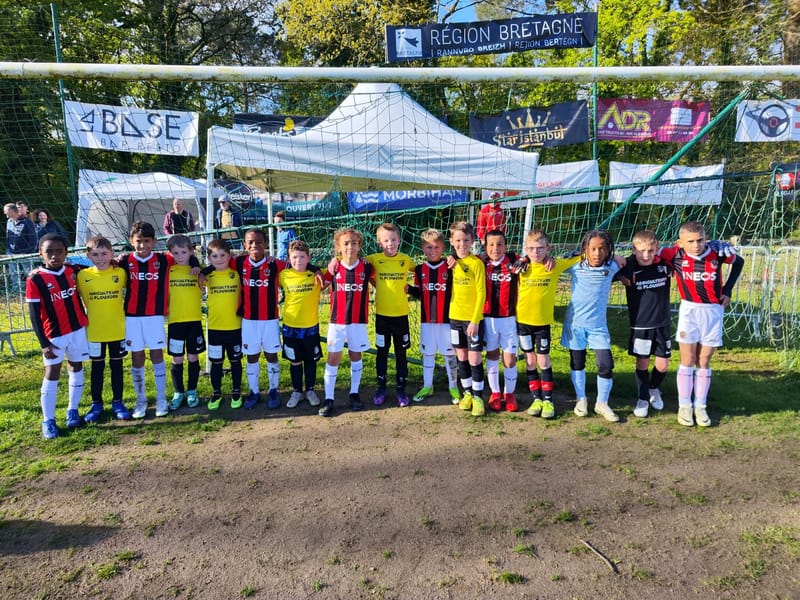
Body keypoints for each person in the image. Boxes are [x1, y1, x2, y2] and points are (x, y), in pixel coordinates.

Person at [658, 221, 744, 427]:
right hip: (689, 310)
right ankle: (684, 406)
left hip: (713, 311)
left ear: (706, 239)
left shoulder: (717, 253)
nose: (696, 245)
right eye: (690, 241)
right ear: (680, 242)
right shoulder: (674, 254)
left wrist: (728, 290)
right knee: (688, 358)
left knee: (704, 360)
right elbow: (648, 250)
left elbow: (739, 262)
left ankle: (700, 406)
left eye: (700, 240)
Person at [118, 221, 200, 419]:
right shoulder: (125, 260)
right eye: (139, 241)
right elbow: (105, 265)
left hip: (155, 316)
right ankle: (141, 401)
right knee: (137, 356)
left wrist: (197, 264)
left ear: (154, 242)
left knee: (157, 354)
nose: (143, 245)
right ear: (131, 241)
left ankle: (162, 399)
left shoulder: (164, 260)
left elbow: (188, 254)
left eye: (147, 241)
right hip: (132, 316)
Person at [26, 234, 90, 439]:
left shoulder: (72, 270)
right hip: (53, 335)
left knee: (76, 366)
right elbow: (34, 314)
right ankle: (48, 420)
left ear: (66, 253)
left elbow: (98, 264)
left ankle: (73, 411)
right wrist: (43, 343)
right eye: (49, 252)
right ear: (41, 254)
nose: (54, 256)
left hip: (77, 329)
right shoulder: (35, 279)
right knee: (52, 372)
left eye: (59, 251)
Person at [561, 229, 625, 423]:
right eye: (593, 249)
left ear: (608, 250)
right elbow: (554, 263)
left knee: (606, 364)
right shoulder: (575, 265)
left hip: (598, 327)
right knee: (577, 363)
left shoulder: (612, 266)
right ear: (585, 250)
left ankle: (602, 403)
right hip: (575, 325)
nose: (597, 253)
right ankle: (581, 399)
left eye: (602, 249)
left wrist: (618, 257)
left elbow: (631, 261)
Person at [516, 230, 578, 419]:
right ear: (526, 249)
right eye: (531, 248)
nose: (536, 252)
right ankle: (536, 399)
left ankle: (548, 400)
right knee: (530, 360)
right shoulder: (520, 267)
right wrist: (522, 260)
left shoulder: (554, 265)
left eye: (540, 248)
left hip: (542, 324)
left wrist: (615, 256)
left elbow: (583, 257)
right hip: (522, 323)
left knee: (543, 360)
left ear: (548, 248)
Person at [616, 230, 672, 419]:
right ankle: (642, 399)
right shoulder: (627, 266)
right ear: (633, 250)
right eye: (641, 251)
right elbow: (604, 263)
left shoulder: (664, 264)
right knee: (642, 362)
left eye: (650, 250)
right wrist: (618, 264)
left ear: (657, 249)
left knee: (663, 365)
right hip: (640, 326)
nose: (646, 255)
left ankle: (653, 388)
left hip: (662, 324)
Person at [76, 236, 132, 423]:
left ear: (111, 254)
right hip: (95, 331)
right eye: (95, 254)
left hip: (117, 329)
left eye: (104, 254)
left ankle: (118, 402)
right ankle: (96, 404)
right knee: (97, 368)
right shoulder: (82, 276)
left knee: (117, 366)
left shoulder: (120, 273)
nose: (100, 258)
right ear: (88, 256)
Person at [319, 228, 373, 417]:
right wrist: (324, 268)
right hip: (337, 322)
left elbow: (380, 282)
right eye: (346, 243)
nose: (350, 246)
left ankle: (354, 394)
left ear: (359, 246)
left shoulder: (367, 267)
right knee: (333, 357)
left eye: (354, 243)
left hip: (358, 321)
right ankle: (329, 398)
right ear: (338, 247)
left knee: (355, 355)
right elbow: (321, 285)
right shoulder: (334, 268)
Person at [365, 223, 415, 407]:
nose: (390, 243)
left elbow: (424, 270)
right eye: (386, 240)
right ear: (379, 243)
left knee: (401, 354)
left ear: (399, 240)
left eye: (393, 239)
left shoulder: (406, 260)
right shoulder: (374, 259)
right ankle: (381, 388)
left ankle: (401, 390)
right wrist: (335, 259)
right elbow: (352, 259)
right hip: (382, 317)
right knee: (382, 353)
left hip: (401, 316)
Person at [409, 228, 460, 404]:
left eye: (437, 247)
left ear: (443, 247)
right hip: (426, 320)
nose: (433, 251)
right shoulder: (419, 269)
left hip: (447, 320)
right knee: (428, 353)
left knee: (450, 354)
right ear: (423, 248)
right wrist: (409, 290)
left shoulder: (450, 266)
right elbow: (420, 293)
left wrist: (455, 257)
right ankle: (427, 385)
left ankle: (453, 387)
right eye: (429, 247)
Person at [278, 239, 325, 408]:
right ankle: (297, 391)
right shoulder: (283, 275)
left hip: (310, 327)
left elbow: (334, 268)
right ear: (289, 259)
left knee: (310, 360)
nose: (298, 260)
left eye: (302, 257)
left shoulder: (316, 275)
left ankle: (310, 390)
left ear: (309, 258)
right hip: (290, 327)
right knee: (295, 361)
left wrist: (316, 269)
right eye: (294, 257)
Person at [448, 221, 487, 416]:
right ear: (451, 241)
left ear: (472, 241)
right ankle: (468, 393)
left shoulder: (476, 263)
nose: (461, 244)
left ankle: (479, 397)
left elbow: (481, 293)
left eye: (465, 240)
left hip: (472, 320)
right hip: (454, 318)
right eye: (458, 240)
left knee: (474, 357)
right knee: (461, 356)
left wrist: (475, 320)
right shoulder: (450, 263)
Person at [481, 229, 522, 412]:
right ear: (485, 247)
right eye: (491, 245)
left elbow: (532, 257)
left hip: (509, 319)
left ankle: (509, 393)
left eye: (499, 244)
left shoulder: (514, 261)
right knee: (492, 355)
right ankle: (495, 393)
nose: (495, 248)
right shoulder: (481, 262)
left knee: (510, 359)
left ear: (506, 246)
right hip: (488, 319)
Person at [165, 235, 205, 411]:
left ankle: (192, 391)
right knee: (177, 358)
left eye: (183, 252)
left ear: (191, 251)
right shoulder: (168, 270)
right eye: (175, 253)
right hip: (175, 322)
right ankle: (178, 392)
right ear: (170, 253)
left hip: (194, 321)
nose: (180, 256)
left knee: (193, 357)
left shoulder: (198, 271)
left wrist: (197, 265)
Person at [203, 239, 243, 410]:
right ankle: (216, 392)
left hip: (235, 327)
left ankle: (236, 391)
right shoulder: (207, 276)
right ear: (209, 259)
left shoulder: (237, 273)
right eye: (214, 256)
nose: (219, 259)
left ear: (229, 255)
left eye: (222, 255)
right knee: (216, 363)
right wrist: (203, 271)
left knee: (235, 361)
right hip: (215, 328)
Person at [4, 202, 37, 293]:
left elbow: (33, 238)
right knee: (13, 272)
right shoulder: (9, 222)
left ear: (12, 211)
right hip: (11, 252)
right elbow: (8, 236)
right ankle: (16, 291)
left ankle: (34, 288)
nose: (6, 215)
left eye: (7, 212)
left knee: (29, 272)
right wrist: (8, 249)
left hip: (25, 253)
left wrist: (28, 251)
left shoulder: (27, 222)